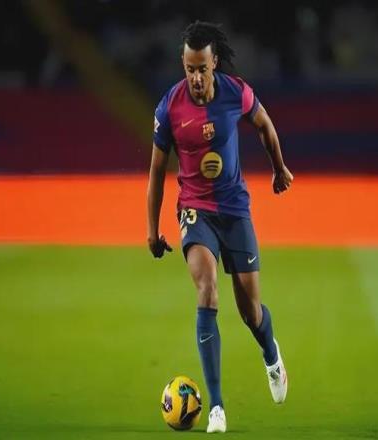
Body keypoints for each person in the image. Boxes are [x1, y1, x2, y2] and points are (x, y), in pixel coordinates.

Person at [147, 20, 293, 433]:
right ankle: (216, 406)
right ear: (183, 65)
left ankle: (271, 355)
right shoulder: (169, 107)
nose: (195, 78)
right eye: (189, 69)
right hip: (195, 210)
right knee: (207, 289)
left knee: (250, 311)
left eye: (201, 69)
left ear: (214, 64)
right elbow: (156, 171)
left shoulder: (236, 92)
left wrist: (279, 168)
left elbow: (264, 125)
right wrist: (152, 229)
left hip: (234, 210)